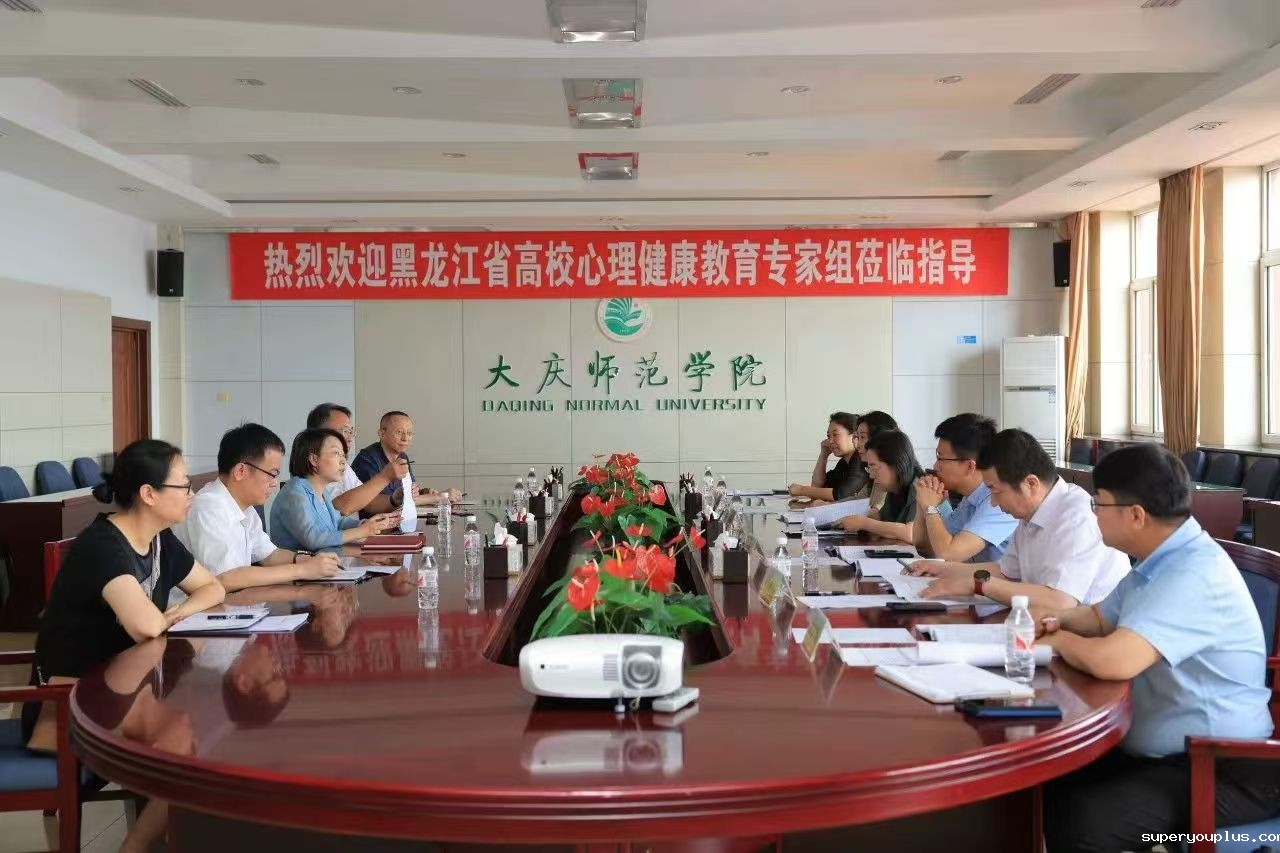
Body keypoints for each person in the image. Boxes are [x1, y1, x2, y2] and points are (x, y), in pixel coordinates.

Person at [1037, 444, 1279, 852]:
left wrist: (1055, 640)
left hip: (1223, 768)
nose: (1094, 513)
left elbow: (1113, 662)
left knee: (1082, 823)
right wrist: (1056, 620)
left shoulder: (1193, 571)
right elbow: (1099, 618)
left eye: (1100, 503)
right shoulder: (1159, 558)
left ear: (1135, 515)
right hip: (1167, 755)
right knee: (1046, 779)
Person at [22, 439, 225, 746]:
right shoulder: (102, 545)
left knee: (181, 734)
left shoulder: (160, 540)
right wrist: (166, 618)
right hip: (71, 704)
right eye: (184, 486)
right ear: (148, 494)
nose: (192, 494)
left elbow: (213, 587)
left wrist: (180, 611)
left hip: (126, 691)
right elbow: (145, 626)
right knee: (179, 742)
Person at [904, 428, 1129, 609]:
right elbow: (1006, 573)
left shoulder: (1076, 516)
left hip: (1090, 635)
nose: (993, 503)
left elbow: (1059, 601)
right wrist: (940, 569)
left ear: (1030, 483)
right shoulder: (1032, 511)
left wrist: (977, 585)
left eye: (996, 491)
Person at [173, 423, 339, 597]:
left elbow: (269, 555)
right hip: (193, 609)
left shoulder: (245, 508)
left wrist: (304, 560)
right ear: (240, 471)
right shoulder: (209, 507)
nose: (275, 483)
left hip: (233, 603)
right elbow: (225, 579)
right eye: (272, 474)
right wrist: (301, 570)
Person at [270, 428, 399, 552]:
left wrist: (365, 524)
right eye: (336, 453)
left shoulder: (322, 492)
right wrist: (361, 531)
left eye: (343, 455)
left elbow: (337, 523)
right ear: (314, 459)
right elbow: (313, 539)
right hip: (297, 566)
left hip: (322, 563)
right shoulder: (294, 492)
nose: (343, 461)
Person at [912, 414, 1018, 563]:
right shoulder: (969, 498)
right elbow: (925, 548)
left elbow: (948, 554)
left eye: (941, 458)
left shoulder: (997, 502)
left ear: (969, 466)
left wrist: (930, 508)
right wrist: (922, 502)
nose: (935, 466)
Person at [350, 411, 462, 531]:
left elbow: (407, 494)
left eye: (409, 433)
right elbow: (370, 504)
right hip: (373, 529)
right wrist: (439, 497)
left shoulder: (402, 456)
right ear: (382, 433)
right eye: (399, 432)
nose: (405, 438)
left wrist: (423, 492)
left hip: (399, 524)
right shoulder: (367, 459)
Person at [305, 403, 408, 517]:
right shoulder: (313, 467)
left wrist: (396, 499)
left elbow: (368, 502)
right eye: (344, 431)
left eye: (351, 431)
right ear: (319, 433)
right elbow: (340, 508)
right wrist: (385, 477)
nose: (349, 438)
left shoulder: (343, 465)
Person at [837, 430, 922, 543]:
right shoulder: (893, 489)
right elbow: (882, 520)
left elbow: (912, 533)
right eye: (869, 468)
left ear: (896, 463)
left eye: (874, 467)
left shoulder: (920, 487)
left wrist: (864, 523)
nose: (871, 476)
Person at [788, 412, 869, 504]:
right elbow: (818, 487)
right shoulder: (843, 463)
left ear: (854, 436)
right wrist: (823, 455)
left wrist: (802, 490)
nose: (830, 441)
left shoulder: (860, 460)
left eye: (835, 435)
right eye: (828, 436)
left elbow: (842, 494)